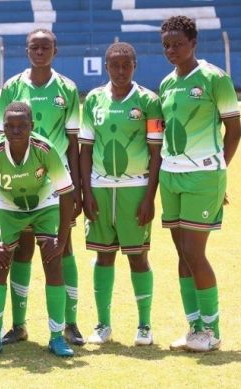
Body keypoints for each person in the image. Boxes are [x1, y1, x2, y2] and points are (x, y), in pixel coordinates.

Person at [0, 28, 83, 346]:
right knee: (21, 250)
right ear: (27, 50)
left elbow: (73, 141)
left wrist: (77, 187)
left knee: (63, 248)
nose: (40, 51)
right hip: (18, 182)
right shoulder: (11, 87)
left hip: (55, 187)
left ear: (55, 50)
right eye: (35, 46)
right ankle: (18, 325)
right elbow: (0, 137)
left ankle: (69, 322)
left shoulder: (68, 88)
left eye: (46, 47)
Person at [159, 16, 240, 352]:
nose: (172, 50)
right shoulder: (165, 84)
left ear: (193, 43)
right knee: (182, 254)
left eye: (178, 43)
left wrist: (219, 172)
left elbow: (234, 128)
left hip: (203, 176)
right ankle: (194, 329)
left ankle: (213, 330)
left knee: (195, 252)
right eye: (166, 45)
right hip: (170, 176)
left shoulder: (214, 79)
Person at [0, 102, 75, 358]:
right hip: (8, 206)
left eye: (22, 126)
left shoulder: (45, 149)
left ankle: (56, 337)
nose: (16, 130)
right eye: (10, 126)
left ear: (32, 126)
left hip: (44, 202)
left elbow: (66, 193)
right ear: (3, 127)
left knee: (53, 261)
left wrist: (61, 241)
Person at [79, 42, 163, 346]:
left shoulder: (149, 102)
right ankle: (103, 324)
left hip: (134, 188)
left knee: (138, 256)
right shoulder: (93, 101)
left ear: (135, 66)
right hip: (100, 189)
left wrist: (149, 196)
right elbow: (85, 150)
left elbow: (156, 152)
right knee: (103, 256)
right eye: (114, 65)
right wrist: (86, 192)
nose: (120, 70)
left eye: (126, 65)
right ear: (106, 67)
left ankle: (144, 324)